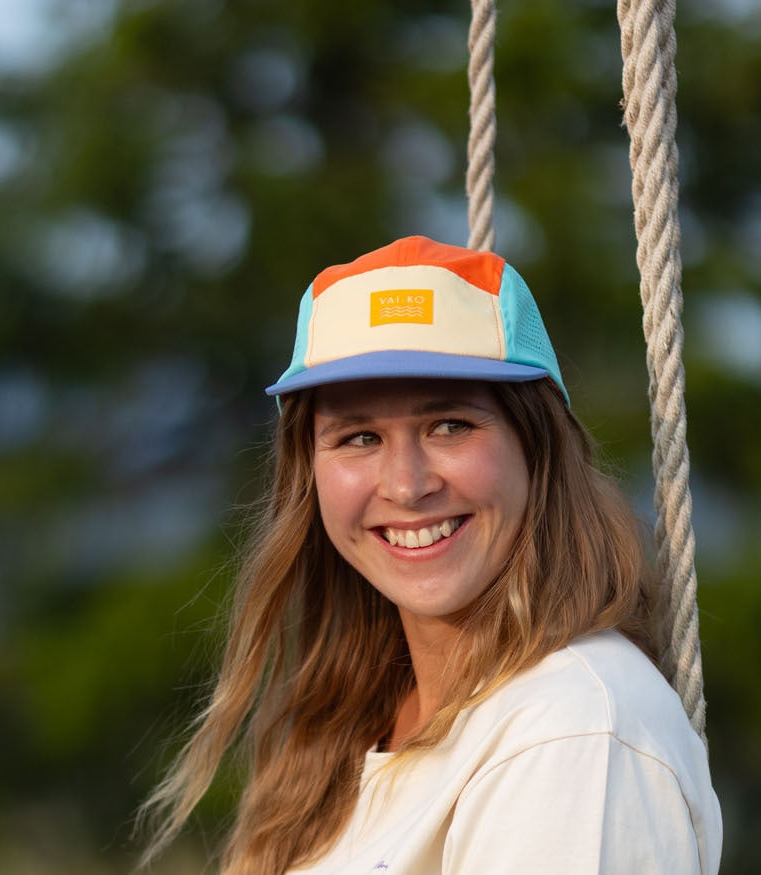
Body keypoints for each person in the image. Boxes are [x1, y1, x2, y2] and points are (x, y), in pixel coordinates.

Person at [140, 236, 722, 874]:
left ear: (539, 449)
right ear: (309, 474)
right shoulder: (355, 727)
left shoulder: (572, 730)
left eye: (450, 426)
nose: (406, 485)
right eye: (360, 437)